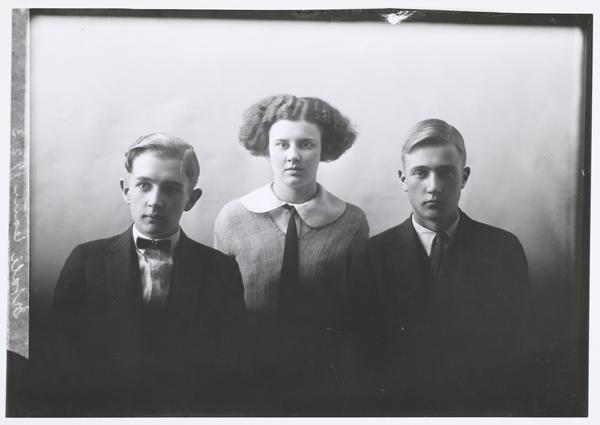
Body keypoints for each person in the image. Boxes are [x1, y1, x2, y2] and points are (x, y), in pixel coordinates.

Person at [52, 133, 247, 415]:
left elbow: (229, 365)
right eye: (144, 185)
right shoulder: (86, 261)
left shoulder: (220, 270)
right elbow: (61, 356)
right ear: (126, 190)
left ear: (191, 199)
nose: (155, 201)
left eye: (171, 189)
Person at [348, 119, 533, 414]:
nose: (433, 187)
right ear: (403, 179)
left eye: (446, 172)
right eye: (420, 173)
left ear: (464, 177)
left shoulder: (503, 250)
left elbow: (516, 346)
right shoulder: (373, 255)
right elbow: (365, 355)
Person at [214, 94, 369, 413]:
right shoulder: (233, 218)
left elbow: (358, 314)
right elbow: (218, 313)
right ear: (267, 147)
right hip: (248, 380)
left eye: (306, 144)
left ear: (323, 148)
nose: (293, 156)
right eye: (282, 144)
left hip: (325, 382)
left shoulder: (351, 222)